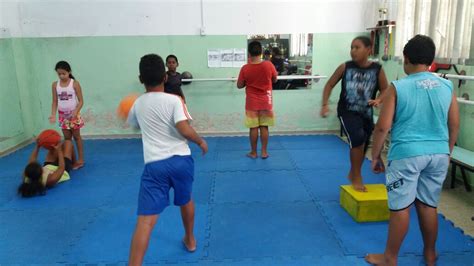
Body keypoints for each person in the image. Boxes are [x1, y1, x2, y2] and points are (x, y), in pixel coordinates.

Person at [366, 35, 459, 266]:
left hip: (406, 155)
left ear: (406, 59)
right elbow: (454, 124)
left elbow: (382, 127)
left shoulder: (398, 87)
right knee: (428, 205)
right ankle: (429, 254)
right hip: (438, 154)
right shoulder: (447, 85)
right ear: (431, 60)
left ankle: (390, 258)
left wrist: (375, 156)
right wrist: (447, 152)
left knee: (400, 207)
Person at [127, 54, 208, 265]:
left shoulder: (137, 104)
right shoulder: (175, 100)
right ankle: (190, 240)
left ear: (140, 79)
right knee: (186, 198)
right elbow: (183, 128)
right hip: (181, 161)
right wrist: (200, 141)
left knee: (145, 221)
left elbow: (135, 125)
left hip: (155, 165)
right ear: (165, 76)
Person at [320, 36, 388, 192]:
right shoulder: (345, 67)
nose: (353, 51)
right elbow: (329, 84)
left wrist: (379, 99)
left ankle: (353, 172)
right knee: (357, 139)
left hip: (366, 113)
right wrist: (325, 104)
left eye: (357, 47)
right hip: (347, 111)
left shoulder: (377, 69)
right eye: (351, 47)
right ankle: (357, 176)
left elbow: (385, 89)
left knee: (363, 143)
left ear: (369, 49)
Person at [237, 41, 277, 159]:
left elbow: (239, 85)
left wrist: (247, 81)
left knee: (253, 127)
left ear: (249, 53)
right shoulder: (269, 65)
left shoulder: (245, 68)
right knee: (264, 127)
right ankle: (264, 152)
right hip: (266, 100)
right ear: (261, 52)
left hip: (251, 102)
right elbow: (275, 80)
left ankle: (254, 152)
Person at [49, 61, 85, 170]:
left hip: (73, 116)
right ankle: (72, 159)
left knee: (77, 137)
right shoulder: (55, 85)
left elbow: (81, 101)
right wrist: (53, 115)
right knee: (67, 139)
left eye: (63, 73)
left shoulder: (74, 83)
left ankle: (81, 159)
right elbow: (55, 101)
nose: (61, 76)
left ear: (69, 72)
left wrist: (76, 111)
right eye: (59, 74)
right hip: (62, 117)